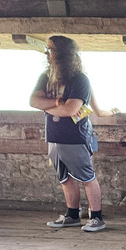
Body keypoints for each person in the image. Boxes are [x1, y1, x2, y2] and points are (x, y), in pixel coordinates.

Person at [29, 36, 116, 233]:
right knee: (65, 179)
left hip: (75, 137)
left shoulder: (80, 80)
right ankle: (72, 215)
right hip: (54, 137)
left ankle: (97, 218)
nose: (47, 53)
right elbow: (33, 101)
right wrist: (59, 104)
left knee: (87, 177)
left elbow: (72, 110)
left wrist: (49, 106)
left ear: (63, 53)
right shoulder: (46, 76)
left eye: (51, 49)